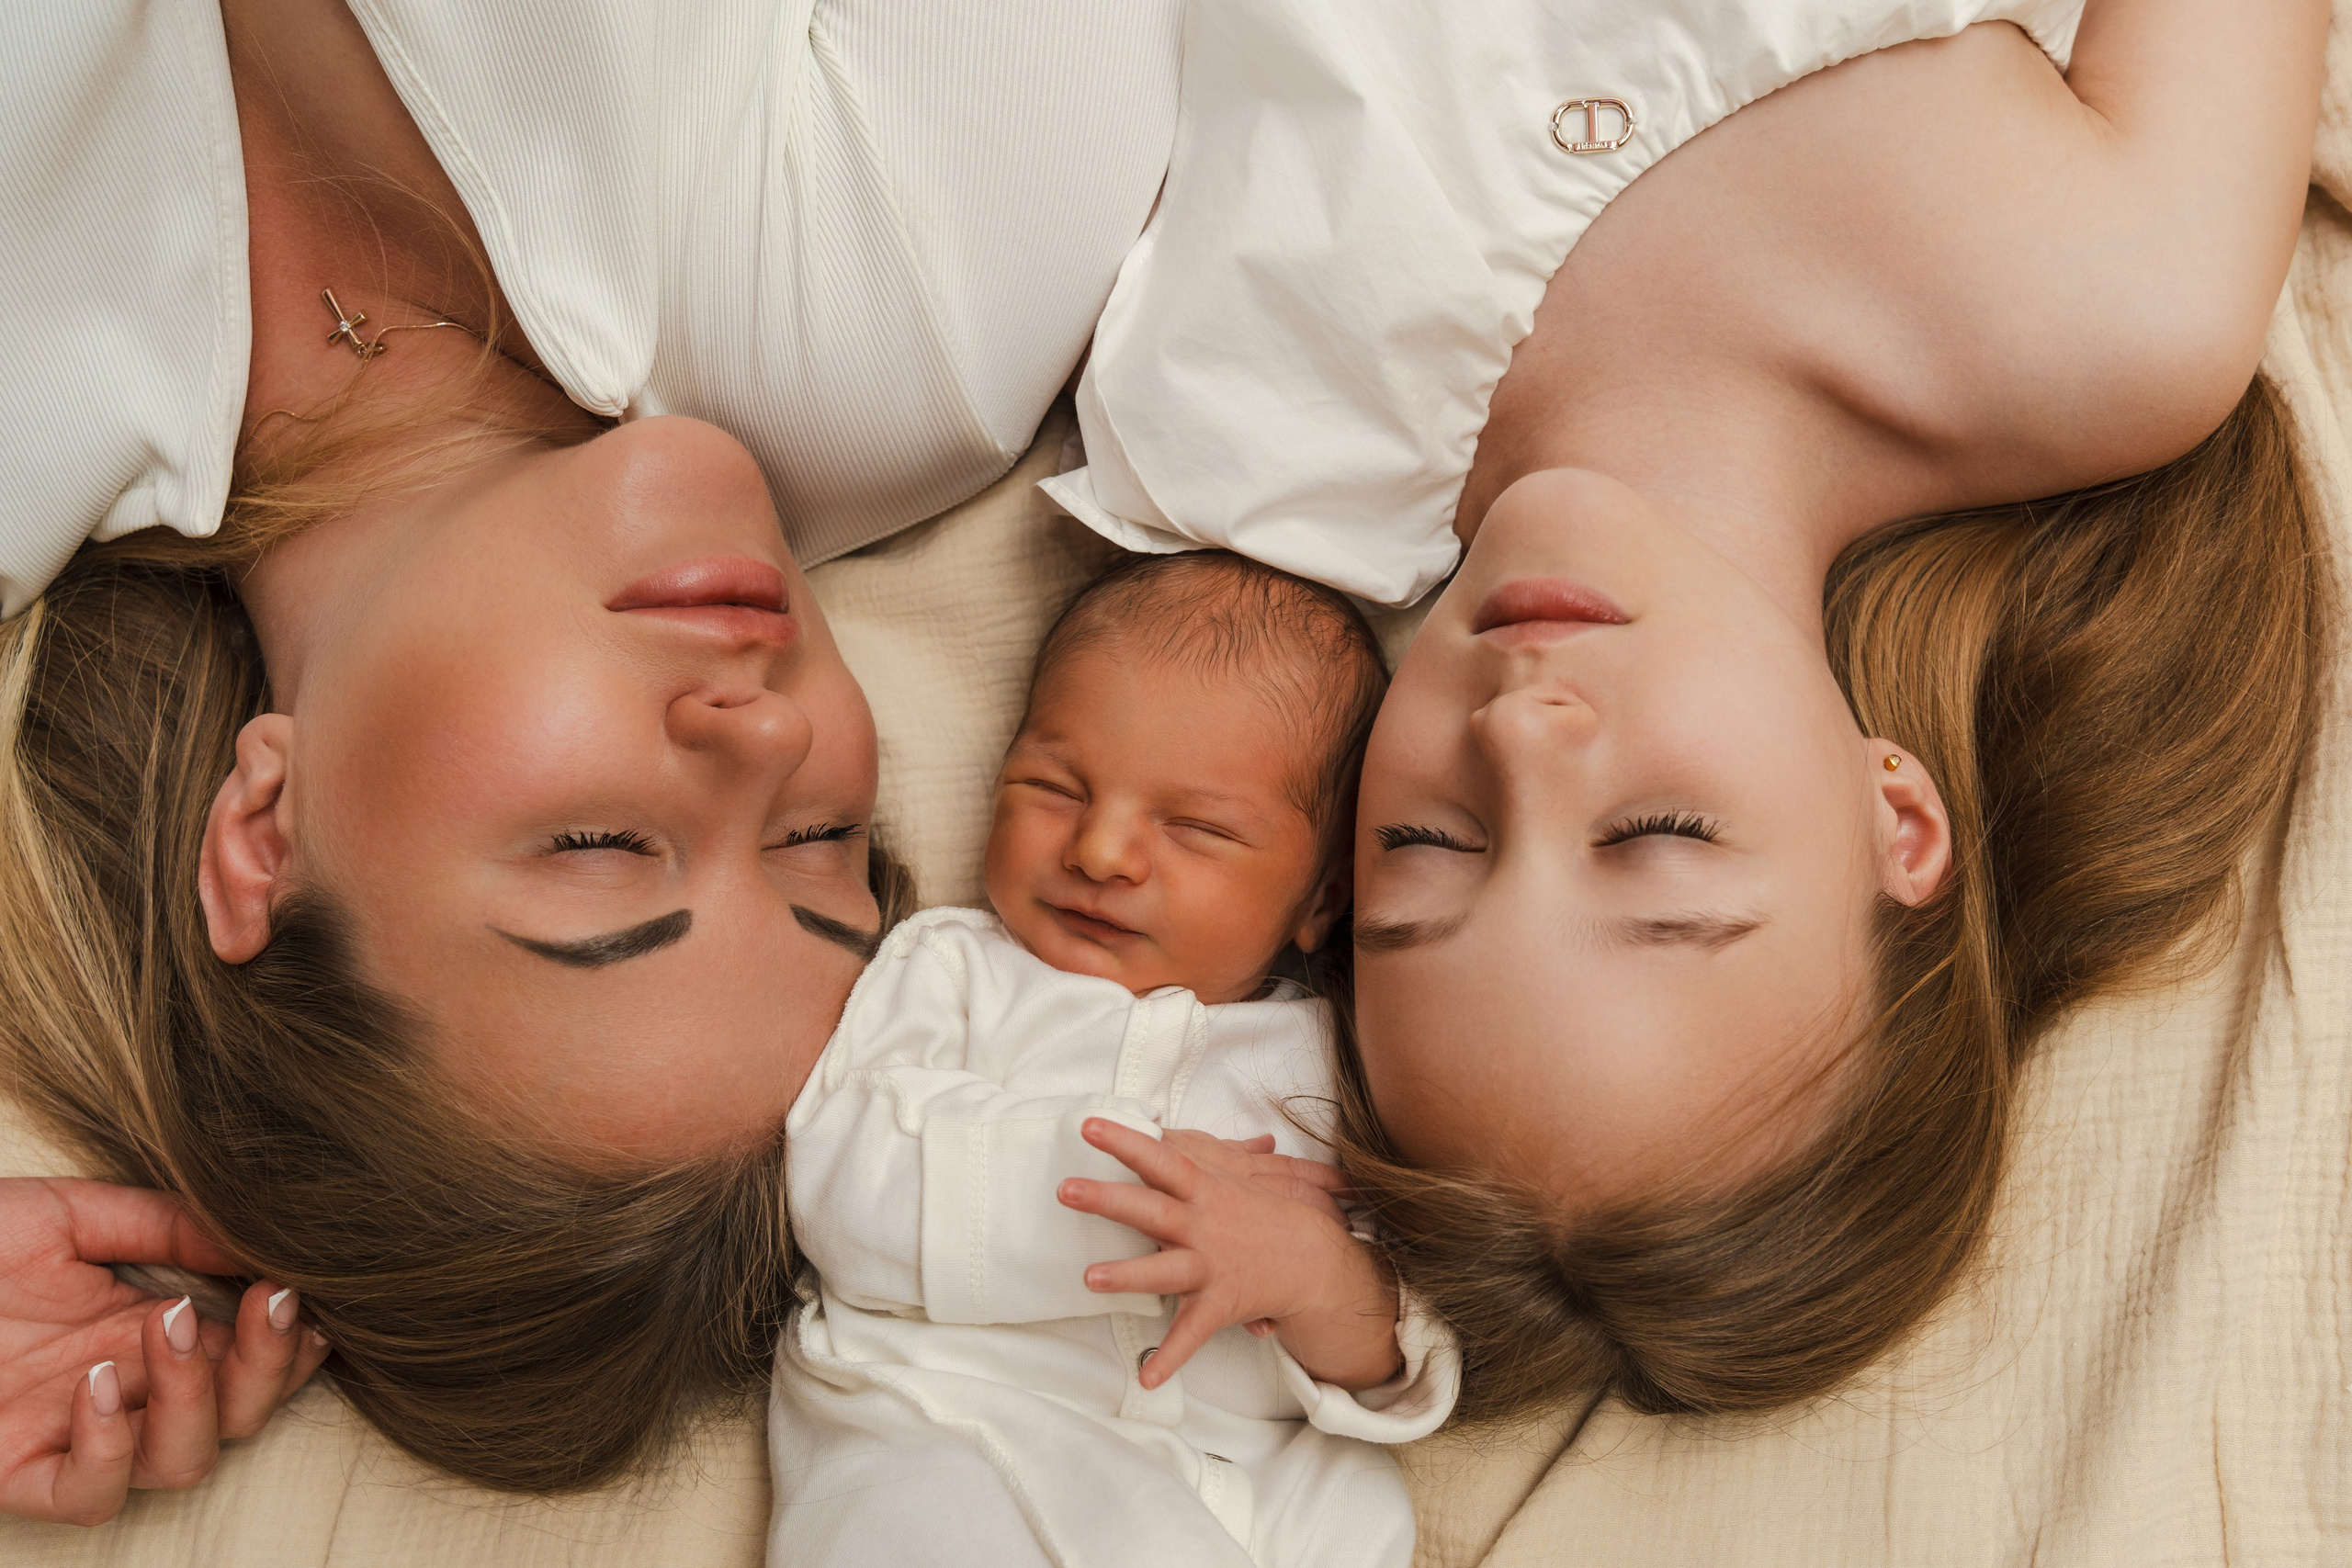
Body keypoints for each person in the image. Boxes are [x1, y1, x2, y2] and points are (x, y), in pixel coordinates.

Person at [0, 0, 2323, 1522]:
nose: (757, 715)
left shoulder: (1186, 407)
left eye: (655, 838)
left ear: (263, 821)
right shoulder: (980, 338)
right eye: (815, 829)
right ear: (1893, 814)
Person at [1053, 0, 2330, 1419]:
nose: (1519, 736)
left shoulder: (1236, 432)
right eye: (1657, 834)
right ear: (1894, 814)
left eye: (1426, 847)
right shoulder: (2125, 310)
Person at [775, 551, 1453, 1566]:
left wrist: (1311, 1277)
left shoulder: (1341, 1061)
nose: (1100, 851)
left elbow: (1402, 1343)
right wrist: (1122, 1192)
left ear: (1320, 901)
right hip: (947, 1420)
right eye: (1053, 787)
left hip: (1234, 1490)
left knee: (1359, 1513)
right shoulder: (950, 972)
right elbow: (840, 1187)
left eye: (1194, 828)